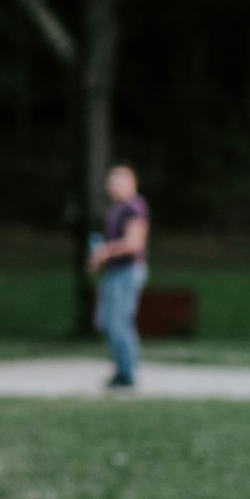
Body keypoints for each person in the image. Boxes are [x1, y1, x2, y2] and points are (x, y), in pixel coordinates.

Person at [88, 164, 150, 391]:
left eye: (119, 181)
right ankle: (120, 369)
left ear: (132, 183)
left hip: (128, 272)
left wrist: (106, 251)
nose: (114, 185)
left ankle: (127, 374)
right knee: (106, 321)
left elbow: (134, 244)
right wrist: (100, 257)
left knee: (120, 323)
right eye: (112, 181)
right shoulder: (115, 208)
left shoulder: (135, 208)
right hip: (114, 272)